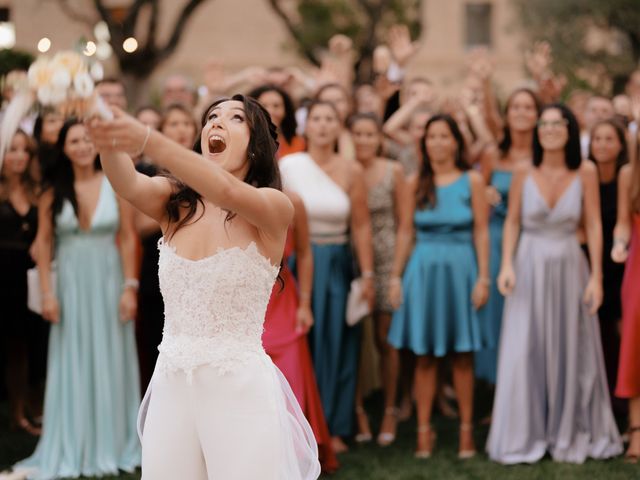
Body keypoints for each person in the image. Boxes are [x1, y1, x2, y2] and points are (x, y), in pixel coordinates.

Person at [86, 94, 320, 479]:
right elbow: (127, 183)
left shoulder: (273, 206)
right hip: (173, 382)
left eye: (234, 118)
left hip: (238, 387)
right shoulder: (175, 204)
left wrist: (149, 138)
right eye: (211, 116)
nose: (216, 122)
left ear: (257, 142)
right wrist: (107, 137)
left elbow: (227, 192)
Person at [487, 104, 623, 464]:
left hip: (569, 264)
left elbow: (593, 224)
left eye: (556, 123)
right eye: (542, 123)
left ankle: (570, 428)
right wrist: (506, 265)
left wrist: (596, 276)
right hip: (529, 263)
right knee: (525, 346)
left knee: (571, 347)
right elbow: (513, 221)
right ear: (537, 131)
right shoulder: (522, 170)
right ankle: (525, 432)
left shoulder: (586, 171)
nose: (549, 129)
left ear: (569, 128)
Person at [15, 119, 141, 478]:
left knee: (111, 357)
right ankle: (74, 440)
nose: (83, 146)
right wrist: (47, 294)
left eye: (88, 139)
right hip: (69, 285)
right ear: (65, 148)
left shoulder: (117, 185)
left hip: (108, 280)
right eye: (75, 141)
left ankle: (115, 441)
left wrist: (129, 286)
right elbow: (43, 244)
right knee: (72, 357)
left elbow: (129, 237)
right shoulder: (53, 192)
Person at [387, 114, 490, 459]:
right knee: (425, 356)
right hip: (424, 270)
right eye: (432, 136)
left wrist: (483, 277)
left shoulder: (472, 180)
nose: (438, 142)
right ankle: (423, 432)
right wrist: (395, 277)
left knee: (462, 355)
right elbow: (404, 232)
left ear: (456, 142)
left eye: (445, 136)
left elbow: (480, 231)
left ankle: (465, 433)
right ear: (424, 142)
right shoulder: (414, 182)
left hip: (462, 268)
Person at [279, 100, 374, 454]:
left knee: (338, 343)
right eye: (316, 119)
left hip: (336, 260)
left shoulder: (351, 170)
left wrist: (366, 275)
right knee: (301, 344)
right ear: (306, 126)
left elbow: (361, 226)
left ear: (339, 127)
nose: (322, 125)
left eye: (329, 118)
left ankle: (333, 426)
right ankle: (297, 424)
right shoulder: (289, 165)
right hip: (295, 260)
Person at [349, 113, 407, 447]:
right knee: (355, 338)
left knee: (386, 338)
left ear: (379, 139)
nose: (363, 140)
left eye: (369, 134)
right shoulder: (345, 169)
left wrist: (397, 272)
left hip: (386, 260)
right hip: (353, 257)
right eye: (357, 133)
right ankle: (357, 409)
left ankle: (389, 407)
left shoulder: (393, 171)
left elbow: (405, 224)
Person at [475, 88, 540, 386]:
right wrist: (485, 195)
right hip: (498, 238)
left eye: (529, 107)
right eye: (516, 107)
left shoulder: (544, 155)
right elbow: (477, 193)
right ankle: (502, 393)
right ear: (507, 114)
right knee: (499, 317)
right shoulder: (493, 154)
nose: (522, 112)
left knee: (532, 316)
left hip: (534, 240)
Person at [0, 130, 41, 436]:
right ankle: (14, 411)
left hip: (31, 275)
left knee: (30, 345)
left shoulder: (37, 190)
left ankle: (27, 409)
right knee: (9, 344)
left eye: (24, 150)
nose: (18, 156)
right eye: (12, 149)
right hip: (3, 274)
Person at [587, 119, 628, 408]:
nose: (601, 145)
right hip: (588, 260)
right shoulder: (583, 177)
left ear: (621, 145)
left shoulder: (627, 179)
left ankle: (623, 398)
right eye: (597, 139)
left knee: (621, 330)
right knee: (596, 331)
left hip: (621, 261)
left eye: (608, 139)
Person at [612, 152, 640, 463]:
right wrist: (619, 243)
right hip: (638, 268)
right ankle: (636, 429)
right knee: (635, 345)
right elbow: (623, 223)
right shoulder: (629, 174)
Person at [249, 84, 305, 158]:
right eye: (264, 106)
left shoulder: (298, 143)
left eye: (276, 106)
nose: (270, 111)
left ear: (286, 111)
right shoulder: (245, 142)